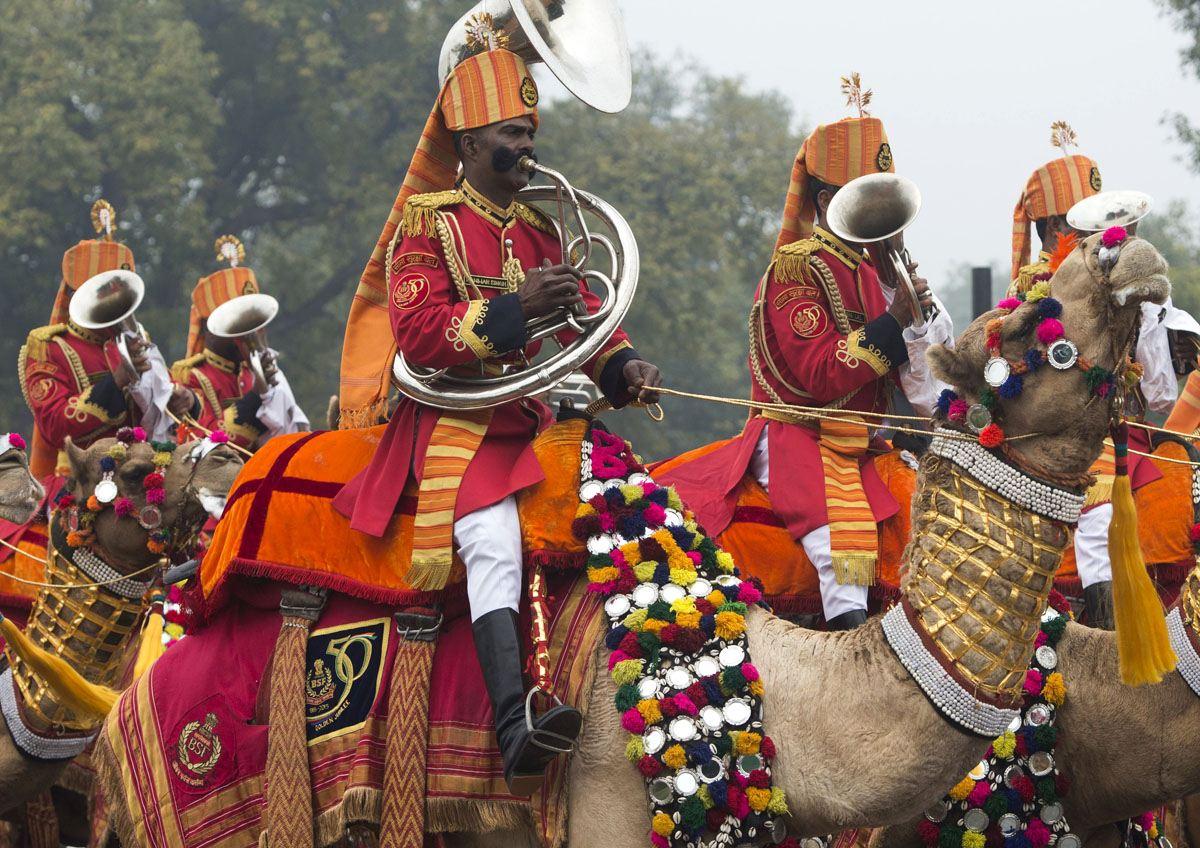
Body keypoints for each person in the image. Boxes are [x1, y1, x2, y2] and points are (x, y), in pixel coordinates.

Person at [333, 28, 660, 795]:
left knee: (632, 503)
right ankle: (515, 724)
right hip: (455, 425)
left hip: (534, 418)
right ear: (473, 140)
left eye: (530, 132)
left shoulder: (545, 228)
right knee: (491, 538)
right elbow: (419, 335)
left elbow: (588, 321)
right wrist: (511, 312)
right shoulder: (429, 222)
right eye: (514, 133)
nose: (528, 145)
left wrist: (624, 367)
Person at [658, 77, 953, 630]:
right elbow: (821, 374)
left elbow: (921, 391)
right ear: (825, 201)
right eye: (866, 198)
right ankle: (846, 666)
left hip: (862, 442)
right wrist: (896, 321)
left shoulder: (871, 271)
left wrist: (914, 315)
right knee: (840, 555)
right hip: (799, 438)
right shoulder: (796, 267)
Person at [1010, 124, 1185, 627]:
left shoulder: (1115, 283)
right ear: (1049, 232)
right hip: (1057, 434)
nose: (1098, 238)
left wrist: (1148, 312)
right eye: (1080, 225)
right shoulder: (1031, 291)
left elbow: (1156, 392)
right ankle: (1107, 634)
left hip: (1120, 429)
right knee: (1097, 521)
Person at [171, 235, 309, 451]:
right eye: (236, 323)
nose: (249, 333)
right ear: (209, 326)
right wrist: (256, 397)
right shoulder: (189, 377)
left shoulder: (254, 371)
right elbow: (201, 442)